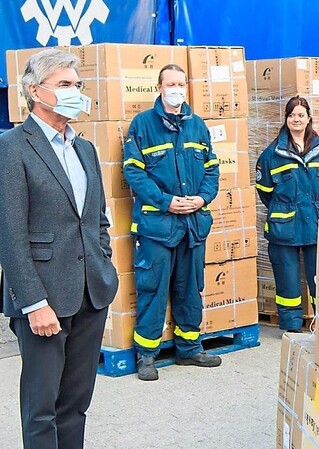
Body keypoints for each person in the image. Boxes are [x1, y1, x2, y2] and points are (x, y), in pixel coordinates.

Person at [0, 49, 119, 449]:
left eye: (78, 85)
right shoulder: (12, 147)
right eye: (65, 85)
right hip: (45, 300)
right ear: (35, 91)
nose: (76, 92)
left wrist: (104, 266)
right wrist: (34, 303)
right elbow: (10, 234)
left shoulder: (84, 148)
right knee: (41, 409)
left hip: (90, 294)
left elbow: (97, 219)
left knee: (75, 404)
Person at [123, 64, 222, 381]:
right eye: (171, 83)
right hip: (157, 227)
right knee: (152, 288)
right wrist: (166, 201)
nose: (176, 88)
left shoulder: (198, 127)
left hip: (193, 224)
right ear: (160, 87)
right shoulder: (142, 125)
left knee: (190, 288)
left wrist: (202, 199)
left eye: (181, 83)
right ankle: (147, 355)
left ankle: (189, 348)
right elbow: (134, 173)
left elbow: (212, 170)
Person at [255, 96, 319, 332]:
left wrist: (312, 206)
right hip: (284, 226)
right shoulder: (272, 154)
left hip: (314, 223)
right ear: (286, 119)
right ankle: (291, 327)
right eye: (292, 115)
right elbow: (265, 191)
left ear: (309, 118)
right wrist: (285, 208)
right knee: (287, 280)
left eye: (300, 115)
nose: (296, 119)